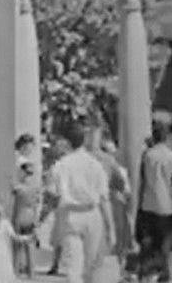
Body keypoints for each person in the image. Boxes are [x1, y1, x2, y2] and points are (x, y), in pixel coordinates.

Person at [51, 121, 114, 283]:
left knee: (73, 266)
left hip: (70, 214)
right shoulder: (95, 165)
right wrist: (110, 226)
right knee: (91, 265)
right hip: (92, 214)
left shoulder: (60, 166)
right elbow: (103, 198)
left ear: (67, 142)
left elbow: (53, 194)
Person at [137, 119, 172, 283]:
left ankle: (148, 273)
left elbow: (142, 180)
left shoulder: (148, 155)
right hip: (167, 206)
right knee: (166, 242)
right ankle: (166, 273)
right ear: (166, 137)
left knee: (150, 241)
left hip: (148, 203)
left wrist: (139, 201)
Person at [97, 137, 133, 278]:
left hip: (100, 205)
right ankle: (119, 269)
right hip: (113, 203)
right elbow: (123, 187)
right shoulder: (115, 167)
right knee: (117, 239)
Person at [43, 137, 74, 275]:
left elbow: (51, 191)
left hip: (62, 204)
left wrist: (47, 208)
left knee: (59, 237)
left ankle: (57, 264)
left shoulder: (55, 168)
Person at [11, 159, 43, 278]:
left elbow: (13, 197)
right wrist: (37, 219)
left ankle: (16, 270)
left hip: (20, 214)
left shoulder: (19, 188)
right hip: (31, 215)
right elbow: (38, 203)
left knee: (18, 243)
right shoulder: (35, 188)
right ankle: (31, 271)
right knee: (30, 244)